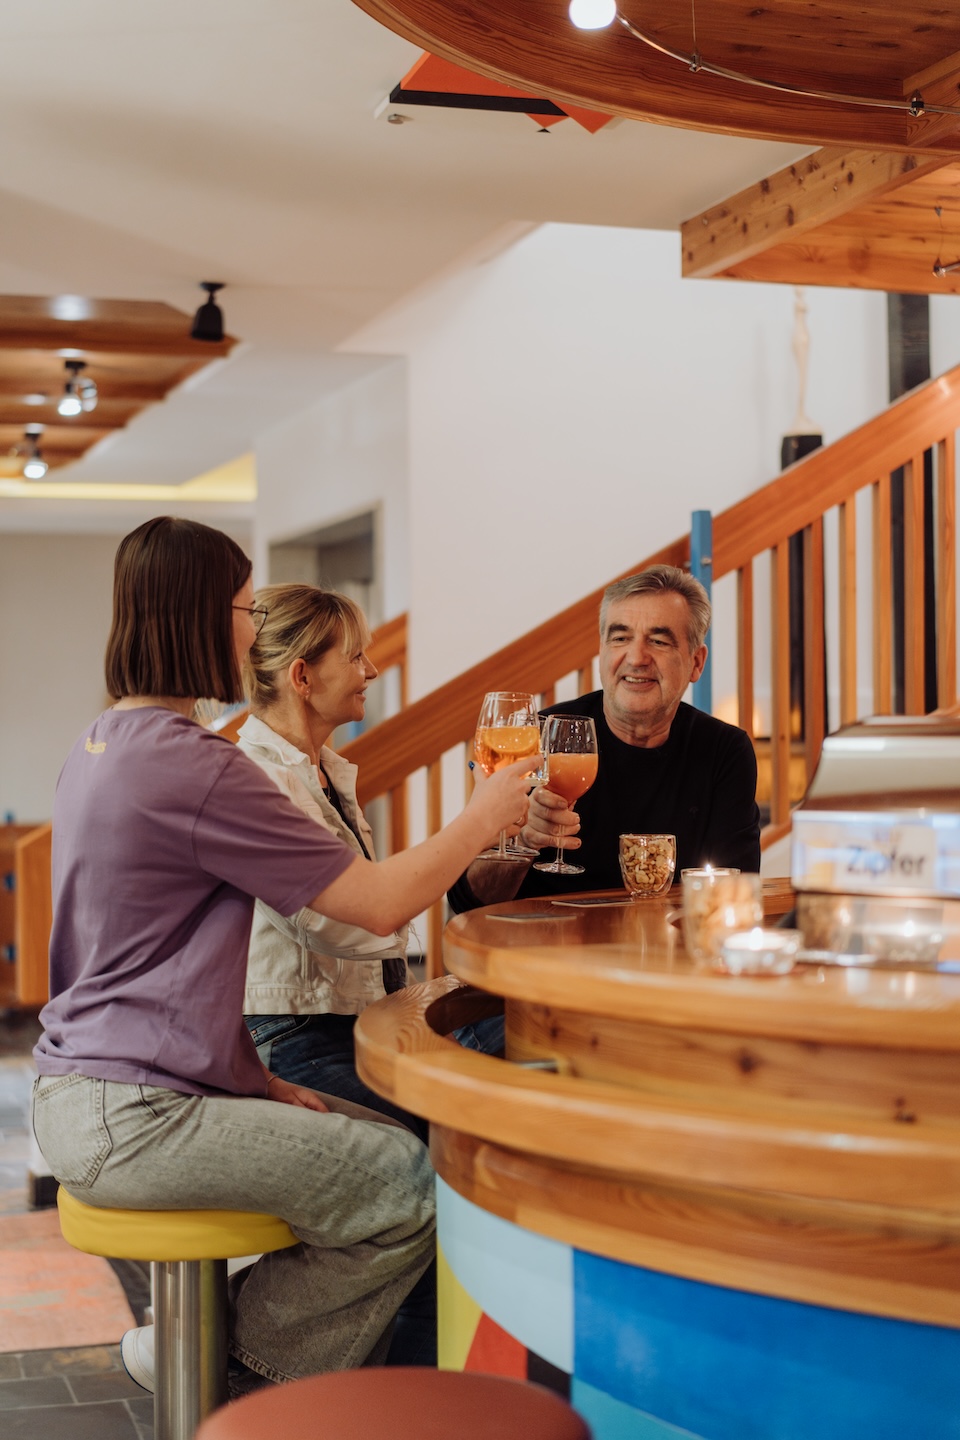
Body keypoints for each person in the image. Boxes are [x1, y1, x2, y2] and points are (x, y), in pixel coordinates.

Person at [31, 517, 535, 1394]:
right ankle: (239, 1375)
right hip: (138, 1115)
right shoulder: (200, 767)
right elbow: (373, 905)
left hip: (77, 1094)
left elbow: (142, 966)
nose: (249, 629)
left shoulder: (97, 746)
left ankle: (215, 1362)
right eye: (241, 606)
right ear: (199, 615)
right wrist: (487, 814)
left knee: (374, 1154)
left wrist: (258, 1082)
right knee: (409, 1185)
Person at [449, 564, 760, 911]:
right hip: (538, 956)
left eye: (658, 641)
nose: (637, 657)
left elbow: (736, 894)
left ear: (696, 663)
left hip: (664, 954)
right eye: (620, 637)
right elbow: (468, 900)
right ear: (602, 652)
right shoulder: (537, 736)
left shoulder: (724, 750)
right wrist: (524, 842)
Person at [236, 584, 427, 1141]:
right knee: (435, 1141)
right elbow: (340, 924)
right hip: (291, 1036)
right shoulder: (259, 779)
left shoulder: (323, 773)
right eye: (355, 657)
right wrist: (471, 835)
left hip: (347, 1022)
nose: (371, 670)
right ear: (302, 677)